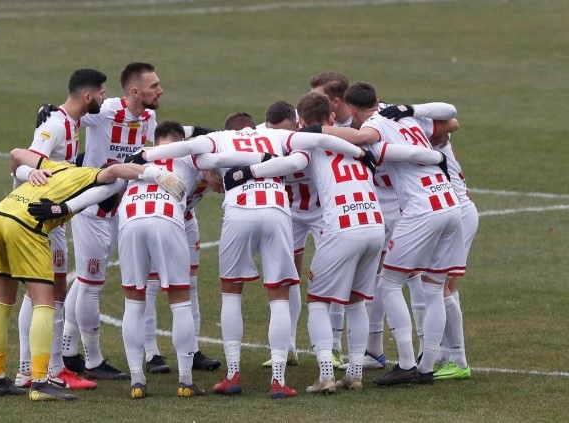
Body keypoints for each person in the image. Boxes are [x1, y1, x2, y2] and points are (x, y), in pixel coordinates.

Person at [126, 111, 379, 399]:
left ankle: (233, 374)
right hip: (276, 211)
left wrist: (148, 155)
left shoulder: (220, 138)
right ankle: (278, 380)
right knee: (279, 295)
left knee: (231, 293)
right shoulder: (276, 135)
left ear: (230, 129)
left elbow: (188, 148)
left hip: (239, 212)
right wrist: (359, 151)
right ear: (253, 126)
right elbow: (320, 139)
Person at [236, 92, 447, 393]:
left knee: (319, 301)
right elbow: (405, 152)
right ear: (333, 117)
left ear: (302, 122)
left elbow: (288, 163)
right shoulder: (361, 141)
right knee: (356, 301)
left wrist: (249, 171)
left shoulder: (308, 144)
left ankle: (325, 375)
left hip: (342, 227)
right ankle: (355, 373)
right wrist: (437, 158)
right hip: (374, 226)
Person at [0, 147, 183, 401]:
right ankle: (39, 382)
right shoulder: (89, 176)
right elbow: (114, 170)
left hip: (1, 214)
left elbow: (15, 154)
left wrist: (30, 171)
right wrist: (156, 174)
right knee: (45, 304)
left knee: (2, 303)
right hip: (27, 224)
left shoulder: (57, 166)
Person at [319, 82, 462, 386]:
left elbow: (362, 138)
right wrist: (422, 129)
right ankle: (425, 368)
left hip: (423, 208)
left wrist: (315, 130)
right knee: (434, 287)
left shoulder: (374, 125)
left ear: (353, 108)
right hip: (450, 203)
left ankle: (408, 363)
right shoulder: (406, 116)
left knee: (389, 283)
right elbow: (451, 117)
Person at [115, 122, 263, 399]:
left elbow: (113, 178)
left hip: (131, 218)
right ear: (182, 140)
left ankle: (137, 380)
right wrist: (261, 157)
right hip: (166, 217)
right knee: (180, 298)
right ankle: (185, 380)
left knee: (133, 301)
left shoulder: (136, 154)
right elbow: (219, 162)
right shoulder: (191, 155)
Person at [61, 62, 163, 381]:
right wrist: (47, 111)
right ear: (135, 92)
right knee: (92, 284)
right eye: (154, 86)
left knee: (90, 280)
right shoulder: (104, 111)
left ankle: (67, 348)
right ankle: (92, 360)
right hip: (92, 206)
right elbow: (73, 110)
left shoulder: (149, 117)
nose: (160, 90)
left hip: (121, 206)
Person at [12, 69, 104, 392]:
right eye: (102, 93)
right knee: (50, 292)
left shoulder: (71, 124)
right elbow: (27, 160)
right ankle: (49, 369)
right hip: (42, 219)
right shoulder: (56, 126)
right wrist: (31, 176)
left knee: (42, 292)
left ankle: (31, 369)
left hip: (52, 221)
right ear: (88, 96)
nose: (105, 98)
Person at [140, 121, 222, 375]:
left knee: (190, 286)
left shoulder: (196, 160)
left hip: (186, 222)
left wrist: (214, 172)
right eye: (163, 148)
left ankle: (192, 350)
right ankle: (151, 353)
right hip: (158, 220)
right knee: (151, 287)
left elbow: (216, 138)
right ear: (154, 147)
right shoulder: (147, 161)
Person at [255, 101, 304, 369]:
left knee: (326, 275)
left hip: (321, 210)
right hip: (290, 210)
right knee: (288, 273)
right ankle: (290, 345)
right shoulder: (261, 133)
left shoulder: (309, 133)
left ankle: (333, 347)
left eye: (282, 132)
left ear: (296, 123)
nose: (276, 138)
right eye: (272, 131)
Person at [309, 71, 353, 368]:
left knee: (364, 287)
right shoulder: (308, 126)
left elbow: (449, 122)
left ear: (335, 103)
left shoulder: (370, 121)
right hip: (310, 211)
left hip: (346, 215)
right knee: (285, 277)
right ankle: (286, 349)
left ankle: (341, 351)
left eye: (320, 96)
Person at [431, 133, 477, 381]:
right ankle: (445, 354)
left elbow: (450, 124)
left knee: (438, 285)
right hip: (455, 210)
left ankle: (458, 360)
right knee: (444, 284)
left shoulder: (415, 129)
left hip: (456, 213)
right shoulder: (419, 129)